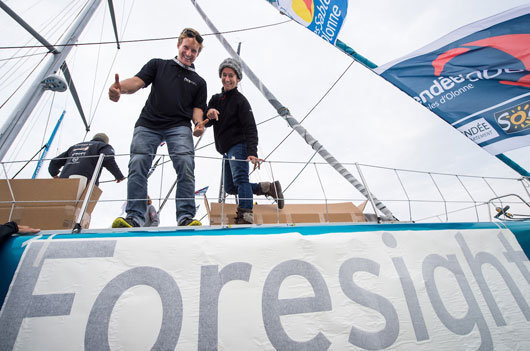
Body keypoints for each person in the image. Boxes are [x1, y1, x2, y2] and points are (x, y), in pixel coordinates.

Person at [109, 28, 207, 228]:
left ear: (198, 53)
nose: (189, 54)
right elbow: (136, 82)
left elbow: (197, 110)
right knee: (137, 165)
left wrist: (198, 124)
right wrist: (120, 89)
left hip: (179, 127)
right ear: (179, 44)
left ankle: (186, 218)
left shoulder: (199, 82)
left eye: (194, 51)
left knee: (186, 166)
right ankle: (135, 217)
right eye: (186, 48)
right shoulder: (158, 65)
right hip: (148, 124)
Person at [200, 58, 284, 224]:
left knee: (240, 180)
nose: (227, 79)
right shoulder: (215, 99)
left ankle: (246, 215)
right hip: (225, 150)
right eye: (224, 75)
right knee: (231, 188)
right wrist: (208, 114)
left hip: (238, 146)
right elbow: (207, 122)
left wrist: (252, 152)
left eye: (231, 75)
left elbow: (250, 128)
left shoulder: (241, 101)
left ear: (237, 78)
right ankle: (268, 188)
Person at [48, 133, 125, 186]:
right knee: (79, 208)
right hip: (85, 182)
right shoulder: (104, 146)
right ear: (105, 141)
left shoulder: (75, 147)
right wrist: (118, 176)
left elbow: (54, 162)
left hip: (64, 182)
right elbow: (108, 159)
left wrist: (55, 174)